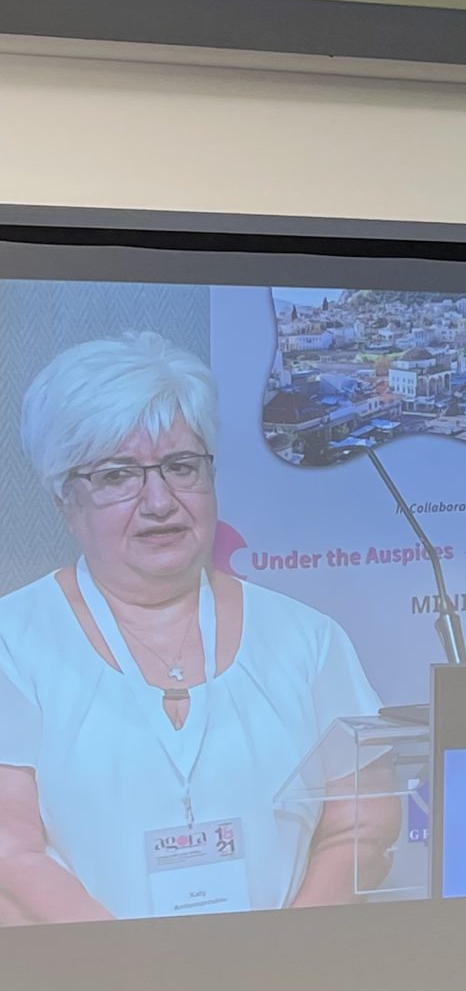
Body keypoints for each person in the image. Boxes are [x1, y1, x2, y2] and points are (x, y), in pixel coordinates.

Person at [0, 332, 394, 923]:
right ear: (65, 501)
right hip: (89, 974)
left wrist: (290, 953)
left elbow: (362, 822)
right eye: (118, 476)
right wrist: (133, 967)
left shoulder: (307, 639)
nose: (159, 501)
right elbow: (10, 853)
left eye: (181, 467)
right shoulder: (13, 644)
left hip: (287, 970)